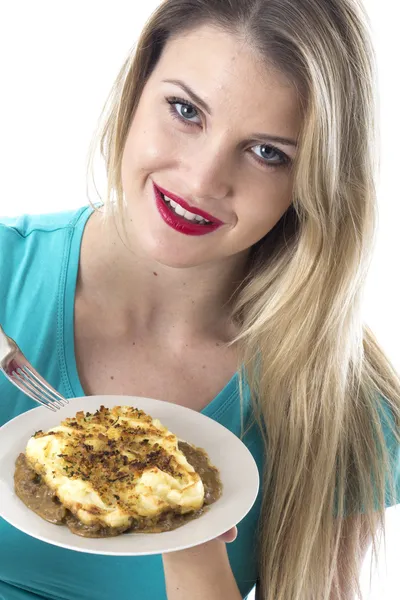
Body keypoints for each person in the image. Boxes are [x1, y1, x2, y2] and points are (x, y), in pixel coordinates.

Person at [1, 0, 399, 598]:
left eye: (269, 153)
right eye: (186, 111)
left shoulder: (348, 406)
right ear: (136, 91)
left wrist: (188, 530)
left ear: (315, 182)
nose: (201, 180)